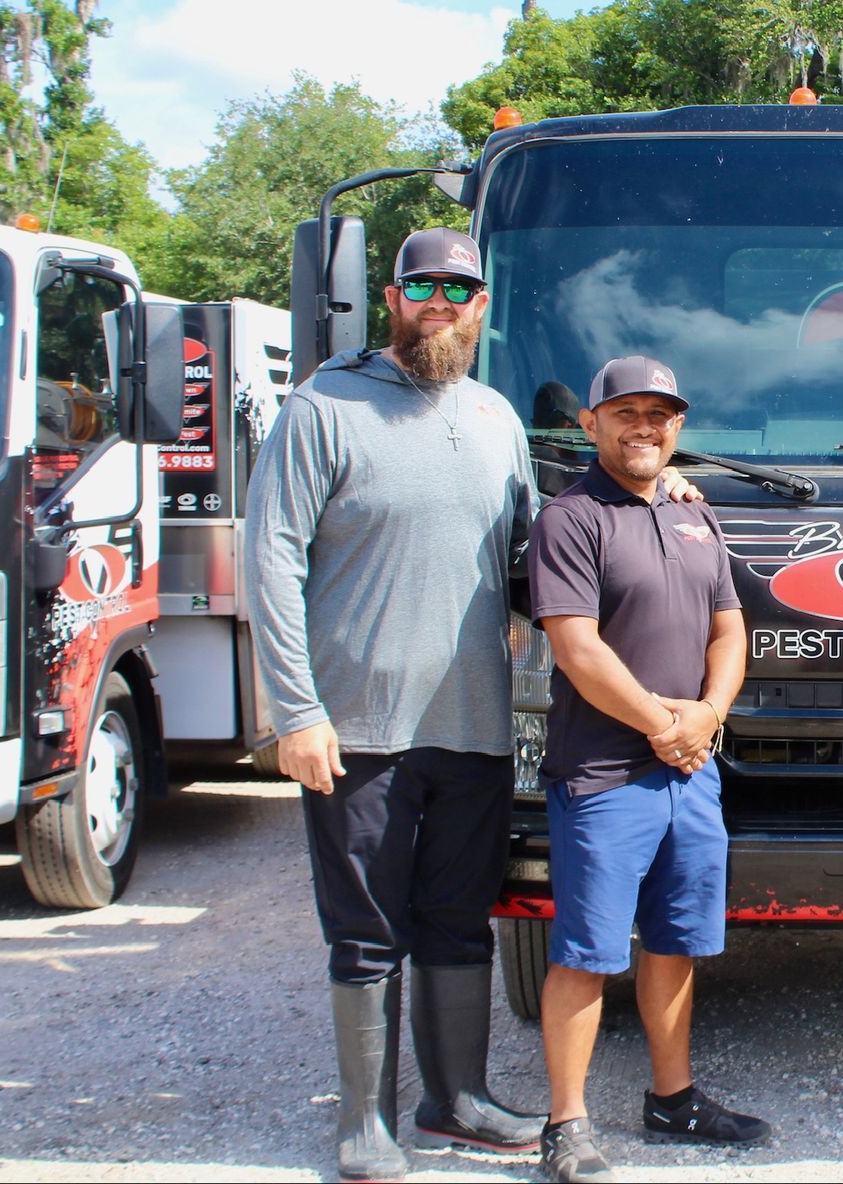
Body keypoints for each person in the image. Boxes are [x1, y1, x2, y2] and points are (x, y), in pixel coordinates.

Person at [245, 227, 542, 1180]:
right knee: (367, 929)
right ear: (393, 296)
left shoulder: (499, 418)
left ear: (483, 304)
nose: (443, 300)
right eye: (426, 284)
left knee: (460, 921)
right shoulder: (324, 406)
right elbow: (270, 560)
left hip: (475, 728)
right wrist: (296, 712)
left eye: (462, 286)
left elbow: (533, 563)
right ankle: (365, 1123)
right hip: (355, 731)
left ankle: (455, 1100)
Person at [526, 355, 765, 1182]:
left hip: (692, 773)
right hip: (603, 777)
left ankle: (674, 1099)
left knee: (674, 943)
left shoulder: (699, 516)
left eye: (660, 414)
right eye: (626, 411)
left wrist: (707, 716)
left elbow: (729, 630)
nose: (645, 426)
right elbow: (576, 646)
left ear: (678, 428)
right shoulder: (570, 518)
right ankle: (566, 1122)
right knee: (588, 952)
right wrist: (665, 722)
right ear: (591, 424)